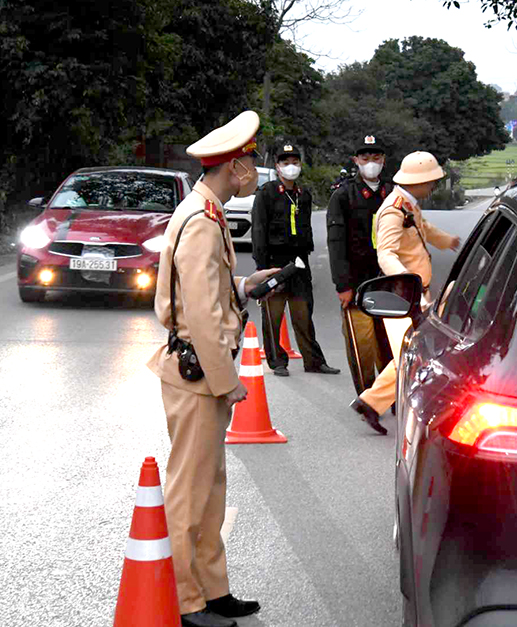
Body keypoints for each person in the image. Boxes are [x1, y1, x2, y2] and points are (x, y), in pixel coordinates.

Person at [147, 110, 277, 627]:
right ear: (233, 166)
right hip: (198, 373)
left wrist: (245, 287)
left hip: (200, 368)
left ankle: (211, 589)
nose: (254, 168)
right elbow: (198, 312)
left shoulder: (208, 210)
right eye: (249, 160)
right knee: (190, 490)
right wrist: (230, 383)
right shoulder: (201, 220)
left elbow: (209, 293)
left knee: (210, 488)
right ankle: (185, 600)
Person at [349, 151, 461, 434]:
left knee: (410, 354)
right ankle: (375, 404)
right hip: (403, 295)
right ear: (420, 181)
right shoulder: (393, 209)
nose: (433, 186)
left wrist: (449, 242)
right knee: (410, 356)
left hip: (411, 292)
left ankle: (370, 403)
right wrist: (410, 285)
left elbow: (425, 230)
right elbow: (385, 253)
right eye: (431, 181)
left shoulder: (408, 204)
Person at [251, 140, 340, 377]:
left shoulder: (304, 195)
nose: (291, 166)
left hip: (300, 262)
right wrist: (262, 268)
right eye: (285, 162)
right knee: (273, 316)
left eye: (295, 162)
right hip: (274, 262)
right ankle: (277, 361)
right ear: (277, 166)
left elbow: (307, 228)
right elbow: (258, 230)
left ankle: (313, 361)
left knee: (303, 314)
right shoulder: (267, 193)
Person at [327, 135, 395, 394]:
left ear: (383, 160)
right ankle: (367, 395)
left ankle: (388, 394)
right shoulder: (343, 195)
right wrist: (342, 284)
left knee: (389, 340)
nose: (371, 163)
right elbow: (336, 243)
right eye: (365, 158)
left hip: (389, 279)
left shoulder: (393, 193)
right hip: (357, 280)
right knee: (362, 343)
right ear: (356, 161)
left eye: (376, 158)